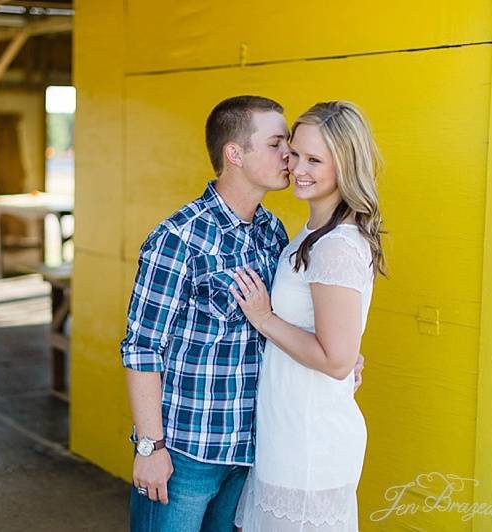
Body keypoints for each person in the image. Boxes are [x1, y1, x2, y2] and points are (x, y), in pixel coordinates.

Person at [120, 95, 365, 531]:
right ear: (235, 153)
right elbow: (142, 348)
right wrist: (150, 447)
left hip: (254, 447)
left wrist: (341, 351)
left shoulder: (274, 232)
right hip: (188, 452)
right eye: (276, 144)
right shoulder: (178, 238)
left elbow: (298, 317)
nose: (288, 156)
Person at [232, 101, 385, 531]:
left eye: (315, 159)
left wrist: (264, 319)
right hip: (290, 429)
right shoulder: (312, 232)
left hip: (309, 441)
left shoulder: (335, 245)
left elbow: (336, 361)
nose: (297, 166)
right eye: (295, 153)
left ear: (346, 165)